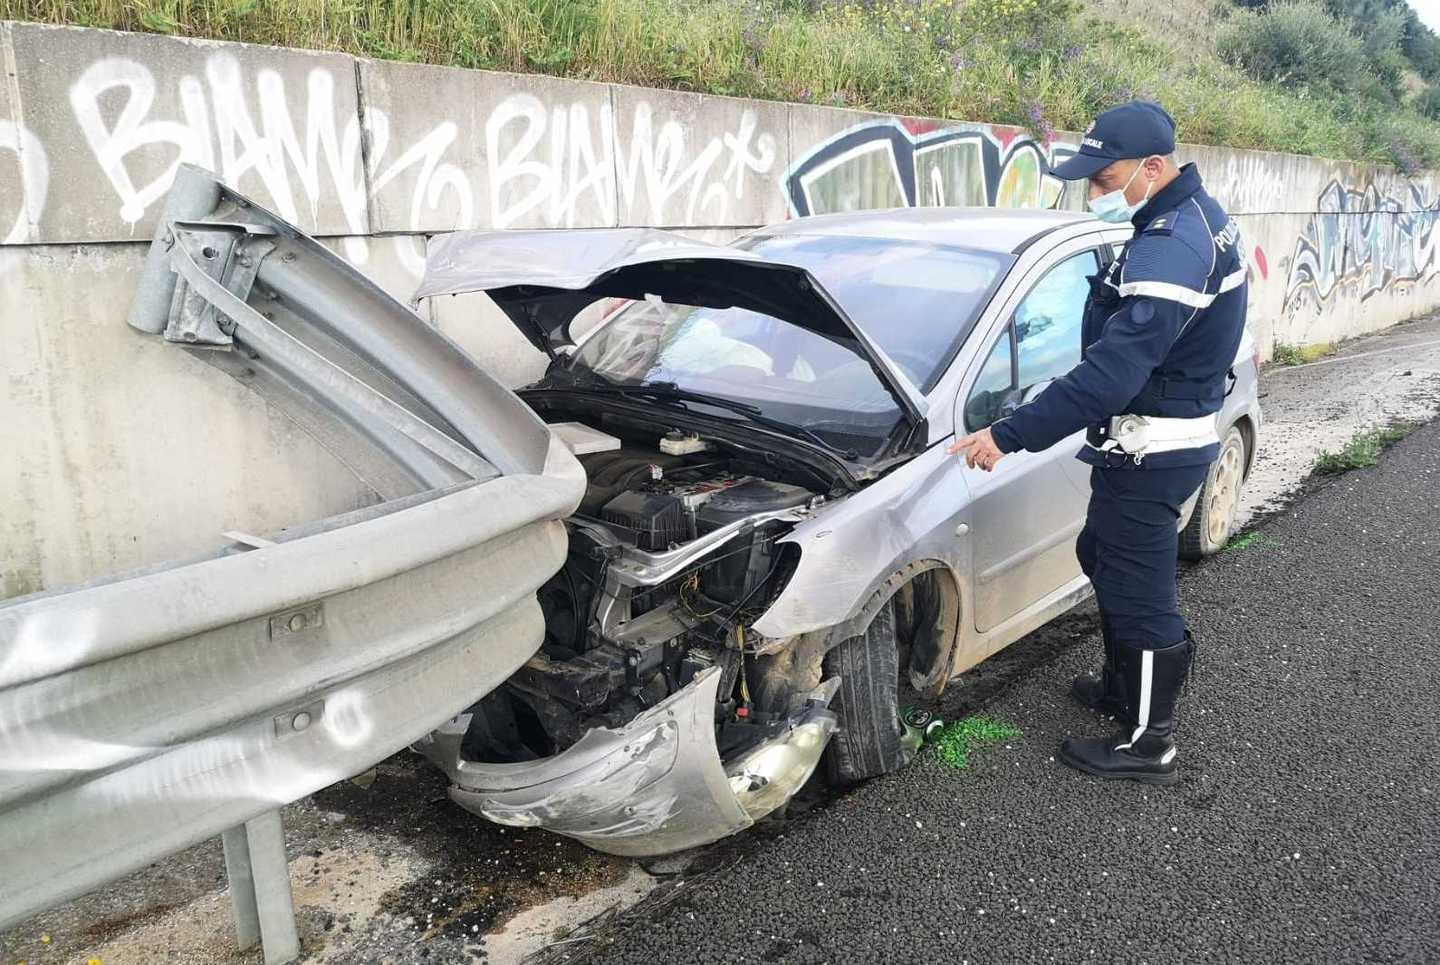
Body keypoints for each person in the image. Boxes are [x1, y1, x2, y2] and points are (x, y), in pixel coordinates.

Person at [949, 101, 1248, 785]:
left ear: (1153, 167)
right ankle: (1122, 687)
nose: (1096, 193)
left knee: (1140, 585)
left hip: (1157, 445)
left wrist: (1008, 432)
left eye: (1105, 178)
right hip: (1149, 437)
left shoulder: (1172, 245)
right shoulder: (1185, 217)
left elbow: (1112, 374)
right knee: (1102, 553)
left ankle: (1150, 739)